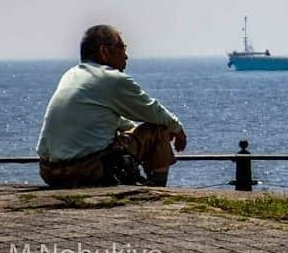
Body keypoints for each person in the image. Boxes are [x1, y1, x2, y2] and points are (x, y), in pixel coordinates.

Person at [37, 24, 187, 188]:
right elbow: (153, 111)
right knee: (158, 129)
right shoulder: (111, 79)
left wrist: (133, 130)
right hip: (86, 171)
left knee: (144, 132)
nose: (126, 56)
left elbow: (105, 117)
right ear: (104, 51)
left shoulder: (72, 75)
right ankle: (157, 192)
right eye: (121, 47)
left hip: (50, 171)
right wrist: (177, 129)